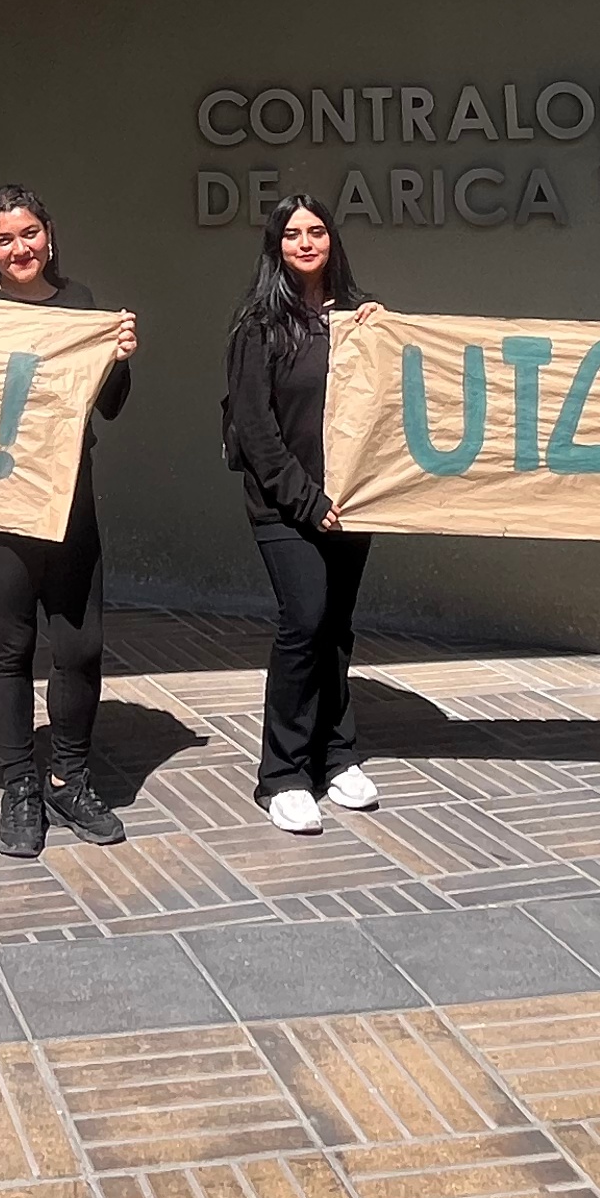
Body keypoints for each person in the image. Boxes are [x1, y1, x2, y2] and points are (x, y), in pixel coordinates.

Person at [0, 187, 136, 855]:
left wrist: (116, 357)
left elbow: (108, 406)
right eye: (4, 239)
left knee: (81, 647)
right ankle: (20, 787)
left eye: (29, 234)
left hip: (68, 503)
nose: (20, 247)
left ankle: (69, 778)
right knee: (11, 646)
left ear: (48, 237)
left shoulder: (82, 305)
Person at [224, 193, 376, 835]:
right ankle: (282, 775)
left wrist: (385, 334)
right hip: (289, 508)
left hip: (354, 503)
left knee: (336, 627)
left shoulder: (360, 320)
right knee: (303, 622)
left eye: (317, 231)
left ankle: (334, 757)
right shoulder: (258, 324)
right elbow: (255, 429)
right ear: (275, 247)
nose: (306, 243)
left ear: (333, 240)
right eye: (292, 234)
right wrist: (308, 503)